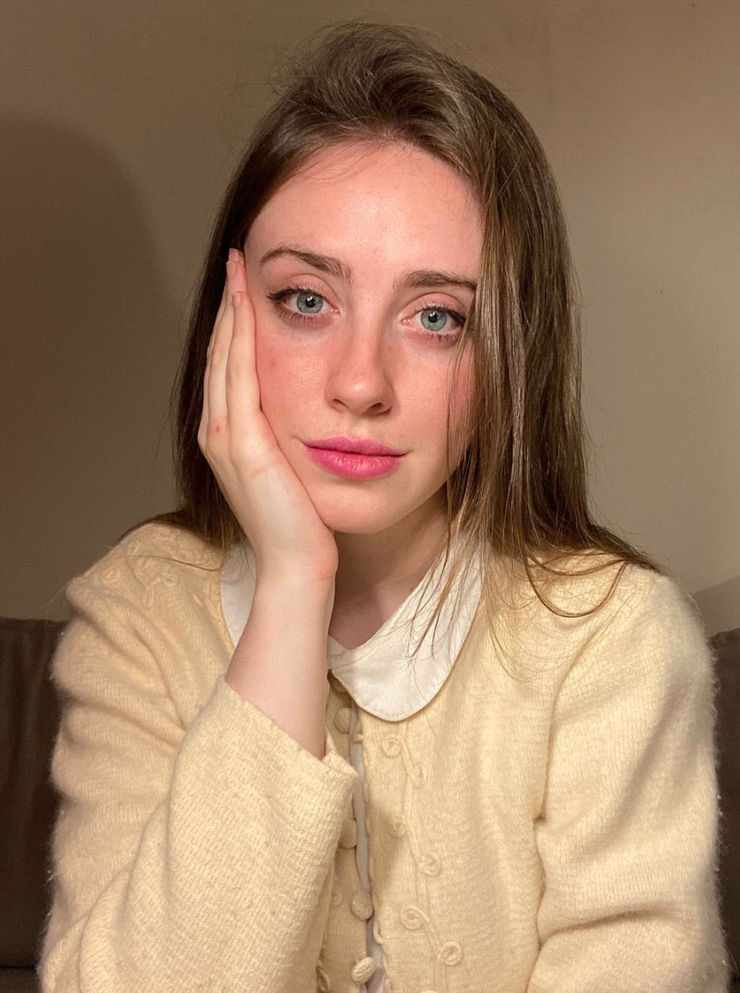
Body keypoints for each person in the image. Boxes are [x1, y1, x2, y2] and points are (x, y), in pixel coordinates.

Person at [38, 20, 730, 993]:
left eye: (436, 317)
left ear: (509, 359)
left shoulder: (613, 641)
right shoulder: (137, 616)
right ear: (229, 317)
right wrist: (292, 586)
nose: (360, 383)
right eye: (305, 300)